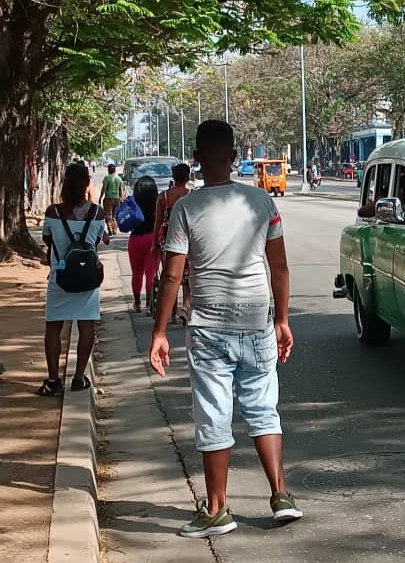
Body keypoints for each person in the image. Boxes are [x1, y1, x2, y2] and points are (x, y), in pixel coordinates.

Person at [149, 120, 300, 538]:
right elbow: (280, 267)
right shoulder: (262, 203)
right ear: (234, 157)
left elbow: (172, 277)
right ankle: (281, 495)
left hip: (210, 326)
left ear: (196, 160)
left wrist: (160, 331)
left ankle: (217, 510)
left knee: (214, 415)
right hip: (257, 321)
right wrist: (282, 320)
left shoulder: (185, 209)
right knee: (263, 407)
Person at [39, 163, 109, 396]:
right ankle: (79, 378)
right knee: (86, 324)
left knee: (53, 327)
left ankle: (53, 380)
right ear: (87, 184)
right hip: (88, 278)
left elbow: (48, 241)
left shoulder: (52, 212)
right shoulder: (97, 213)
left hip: (59, 276)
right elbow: (97, 241)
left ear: (64, 183)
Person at [153, 163, 192, 324]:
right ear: (188, 176)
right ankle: (186, 307)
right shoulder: (191, 196)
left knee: (171, 275)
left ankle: (174, 313)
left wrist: (155, 242)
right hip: (189, 238)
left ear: (173, 177)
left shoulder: (164, 197)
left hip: (168, 239)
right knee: (187, 278)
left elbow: (158, 221)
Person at [128, 176, 160, 314]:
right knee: (151, 273)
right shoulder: (158, 202)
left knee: (137, 273)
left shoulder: (133, 203)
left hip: (135, 239)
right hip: (153, 238)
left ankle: (136, 303)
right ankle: (149, 304)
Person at [100, 164, 125, 235]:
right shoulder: (119, 178)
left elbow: (104, 188)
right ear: (115, 170)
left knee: (108, 214)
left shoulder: (107, 178)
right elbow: (121, 189)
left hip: (108, 198)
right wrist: (121, 198)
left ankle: (110, 228)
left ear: (108, 170)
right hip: (117, 198)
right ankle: (115, 229)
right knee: (115, 215)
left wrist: (100, 197)